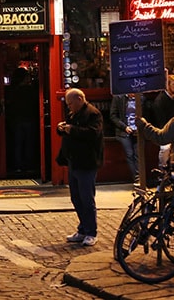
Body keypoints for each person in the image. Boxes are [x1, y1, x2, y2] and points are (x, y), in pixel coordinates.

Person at [56, 88, 104, 248]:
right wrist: (62, 128)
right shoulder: (73, 114)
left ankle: (91, 232)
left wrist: (72, 130)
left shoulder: (93, 114)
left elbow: (92, 134)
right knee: (76, 197)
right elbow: (70, 133)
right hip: (74, 161)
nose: (69, 107)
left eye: (70, 103)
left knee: (86, 198)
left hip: (86, 162)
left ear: (79, 99)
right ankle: (83, 228)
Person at [152, 75, 174, 167]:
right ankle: (162, 170)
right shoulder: (160, 101)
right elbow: (161, 120)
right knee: (165, 149)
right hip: (166, 129)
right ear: (167, 86)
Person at [109, 93, 139, 182]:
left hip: (137, 129)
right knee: (130, 154)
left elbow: (145, 114)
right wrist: (124, 127)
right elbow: (113, 116)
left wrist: (140, 127)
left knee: (139, 154)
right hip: (123, 130)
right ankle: (137, 178)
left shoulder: (141, 98)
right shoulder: (118, 97)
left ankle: (140, 177)